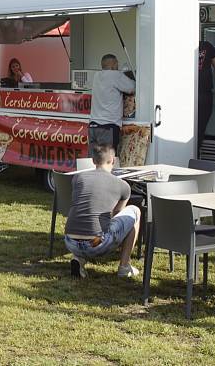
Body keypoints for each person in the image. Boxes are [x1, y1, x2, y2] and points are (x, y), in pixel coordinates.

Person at [64, 143, 141, 278]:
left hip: (70, 241)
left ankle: (79, 260)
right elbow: (116, 215)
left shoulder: (78, 178)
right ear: (113, 160)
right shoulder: (123, 186)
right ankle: (124, 266)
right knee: (134, 211)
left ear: (93, 161)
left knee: (85, 219)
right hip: (97, 243)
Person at [89, 54, 135, 151]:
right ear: (114, 64)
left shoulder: (96, 76)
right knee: (108, 162)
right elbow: (132, 87)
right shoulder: (115, 75)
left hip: (93, 126)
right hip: (108, 127)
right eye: (117, 63)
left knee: (95, 161)